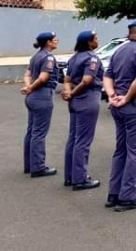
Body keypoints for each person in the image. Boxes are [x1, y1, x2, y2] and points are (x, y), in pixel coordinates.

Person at [103, 19, 136, 211]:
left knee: (121, 150)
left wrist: (111, 95)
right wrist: (126, 97)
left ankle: (114, 193)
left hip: (119, 107)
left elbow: (107, 76)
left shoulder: (119, 51)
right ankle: (127, 196)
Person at [62, 30, 103, 190]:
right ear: (89, 42)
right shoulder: (91, 58)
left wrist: (68, 92)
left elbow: (67, 79)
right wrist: (71, 92)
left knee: (73, 138)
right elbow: (87, 80)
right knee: (83, 140)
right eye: (95, 38)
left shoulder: (74, 58)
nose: (97, 40)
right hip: (87, 98)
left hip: (75, 101)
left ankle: (70, 176)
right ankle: (80, 179)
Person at [22, 31, 60, 178]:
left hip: (32, 96)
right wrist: (31, 87)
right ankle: (38, 167)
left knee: (31, 131)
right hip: (42, 95)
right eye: (54, 39)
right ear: (48, 43)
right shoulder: (48, 57)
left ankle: (29, 165)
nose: (57, 41)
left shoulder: (36, 56)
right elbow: (44, 77)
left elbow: (27, 75)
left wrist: (28, 87)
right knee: (39, 132)